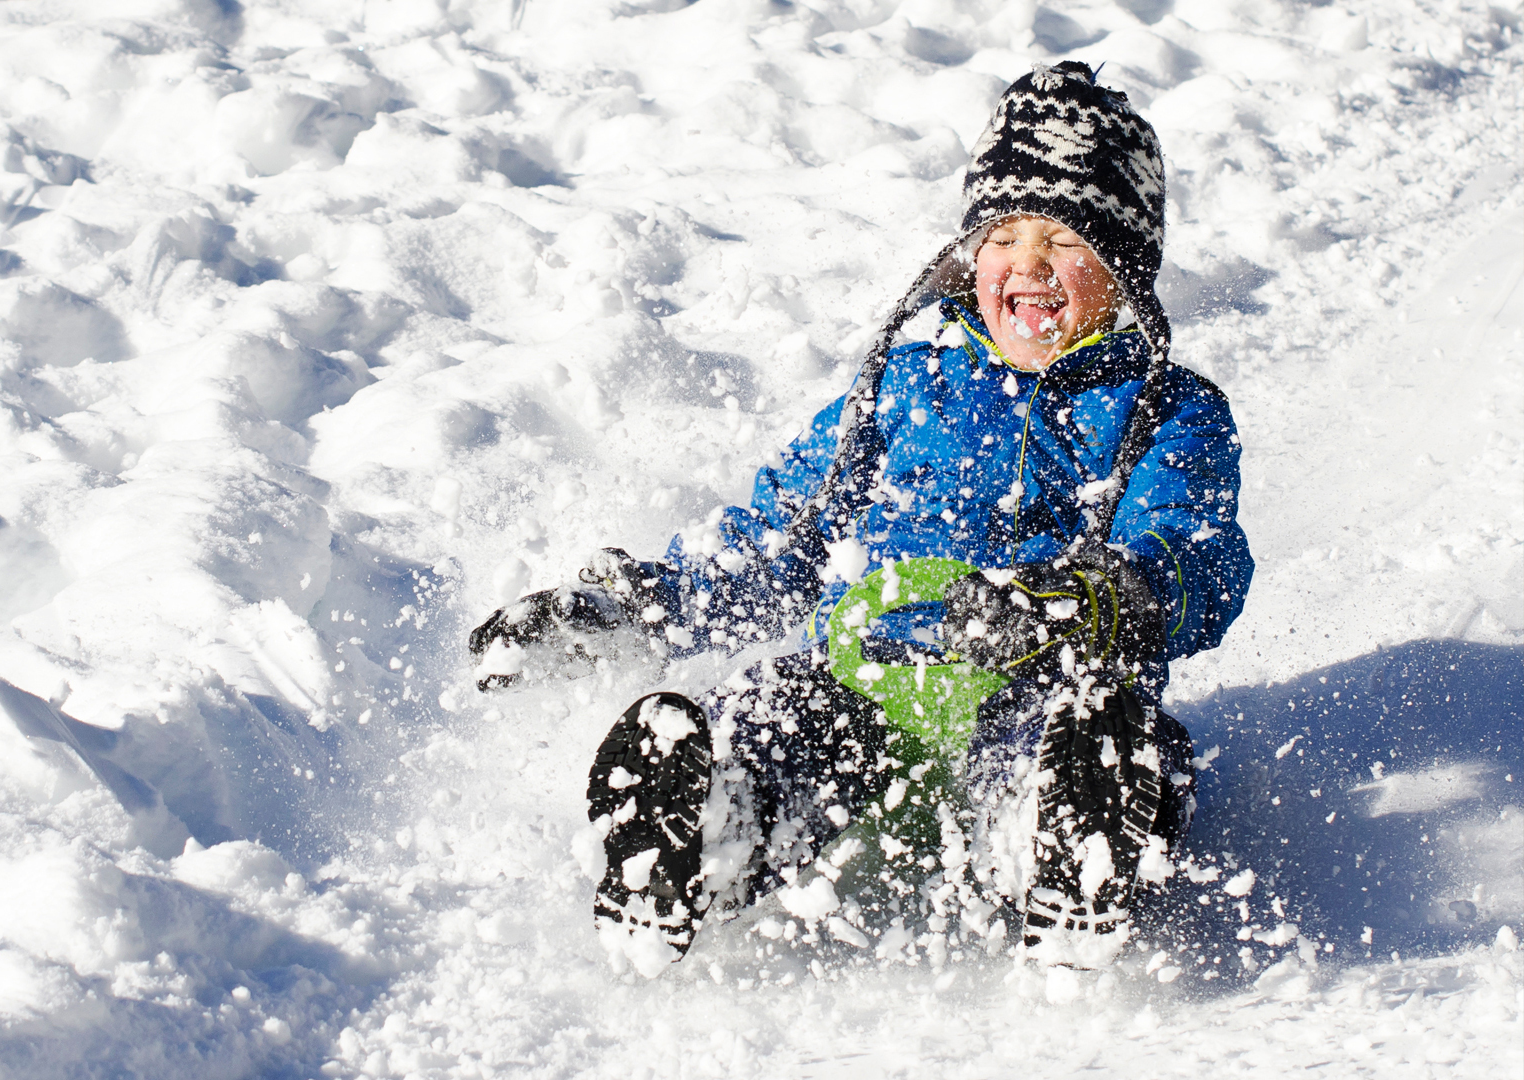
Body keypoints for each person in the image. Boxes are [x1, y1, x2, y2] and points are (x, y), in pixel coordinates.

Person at [469, 62, 1253, 974]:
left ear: (1123, 269)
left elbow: (1199, 549)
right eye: (1004, 236)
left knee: (1109, 733)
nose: (1028, 265)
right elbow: (778, 541)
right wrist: (628, 603)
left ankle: (1061, 841)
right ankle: (701, 829)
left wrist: (1107, 593)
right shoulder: (904, 388)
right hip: (864, 679)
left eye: (1064, 240)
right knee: (770, 711)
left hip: (1035, 685)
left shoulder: (1169, 412)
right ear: (969, 257)